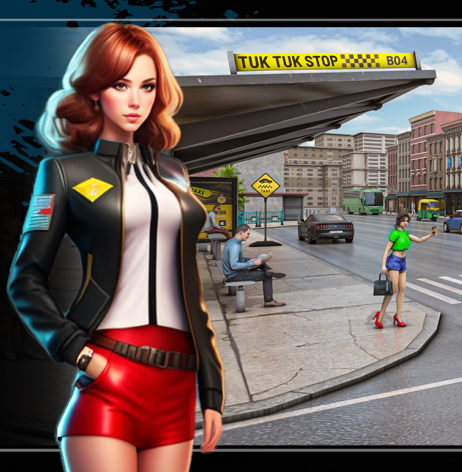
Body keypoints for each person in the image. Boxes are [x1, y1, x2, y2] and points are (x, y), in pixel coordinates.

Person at [7, 23, 223, 470]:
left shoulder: (174, 173)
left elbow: (191, 292)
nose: (135, 100)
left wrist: (212, 389)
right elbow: (24, 279)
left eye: (147, 86)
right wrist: (78, 353)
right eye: (120, 84)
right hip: (111, 374)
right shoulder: (63, 172)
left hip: (178, 382)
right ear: (93, 90)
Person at [375, 212, 436, 328]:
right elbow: (386, 250)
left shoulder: (406, 234)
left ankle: (398, 316)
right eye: (404, 221)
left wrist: (432, 234)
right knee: (393, 289)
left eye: (407, 221)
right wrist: (383, 265)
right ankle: (380, 315)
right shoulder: (395, 233)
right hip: (393, 261)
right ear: (398, 221)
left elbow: (419, 240)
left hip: (403, 261)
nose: (406, 223)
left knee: (402, 288)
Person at [222, 224, 286, 307]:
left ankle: (268, 269)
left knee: (260, 261)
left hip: (233, 272)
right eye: (248, 234)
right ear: (241, 232)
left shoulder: (232, 241)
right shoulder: (235, 246)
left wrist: (249, 258)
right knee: (266, 276)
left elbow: (235, 259)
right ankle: (269, 301)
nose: (248, 236)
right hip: (234, 275)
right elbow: (234, 265)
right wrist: (253, 263)